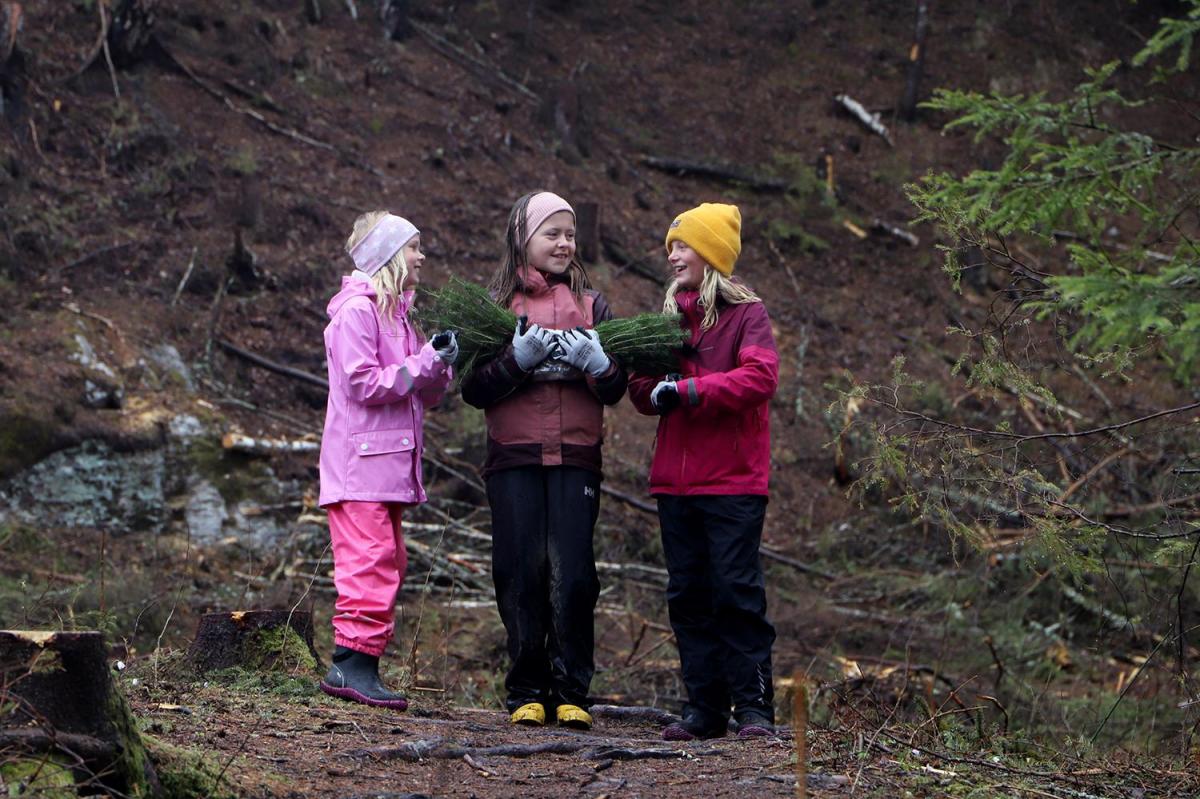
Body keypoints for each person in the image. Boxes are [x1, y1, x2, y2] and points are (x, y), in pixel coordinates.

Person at [462, 190, 628, 730]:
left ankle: (573, 689)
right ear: (522, 237)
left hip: (577, 457)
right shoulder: (495, 307)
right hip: (514, 458)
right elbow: (475, 389)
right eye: (551, 233)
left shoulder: (593, 305)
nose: (563, 243)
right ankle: (527, 690)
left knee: (576, 574)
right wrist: (517, 359)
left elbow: (614, 389)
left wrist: (600, 365)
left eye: (569, 234)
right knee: (520, 570)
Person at [628, 202, 779, 740]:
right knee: (688, 596)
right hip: (675, 482)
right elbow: (641, 392)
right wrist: (657, 387)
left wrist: (689, 390)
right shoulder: (667, 320)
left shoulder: (747, 316)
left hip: (733, 482)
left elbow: (758, 378)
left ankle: (755, 710)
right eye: (671, 246)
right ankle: (704, 710)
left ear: (711, 253)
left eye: (683, 245)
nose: (672, 255)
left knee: (736, 592)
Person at [317, 211, 458, 709]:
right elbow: (362, 382)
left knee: (389, 560)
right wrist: (422, 364)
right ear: (390, 256)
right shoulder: (356, 312)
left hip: (387, 466)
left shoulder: (400, 315)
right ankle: (351, 665)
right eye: (415, 247)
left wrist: (440, 361)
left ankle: (361, 663)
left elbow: (424, 392)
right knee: (368, 561)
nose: (422, 256)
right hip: (359, 468)